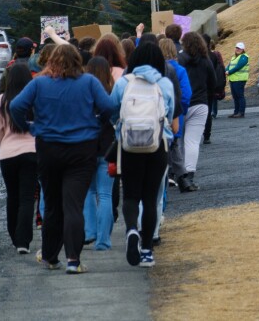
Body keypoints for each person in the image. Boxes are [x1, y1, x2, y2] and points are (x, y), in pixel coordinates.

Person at [10, 44, 114, 274]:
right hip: (82, 148)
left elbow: (16, 106)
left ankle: (49, 256)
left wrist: (29, 127)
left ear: (51, 61)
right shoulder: (88, 82)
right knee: (73, 205)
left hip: (48, 148)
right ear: (78, 61)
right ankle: (73, 260)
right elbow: (109, 106)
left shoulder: (39, 83)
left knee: (53, 204)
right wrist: (96, 123)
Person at [109, 43, 174, 268]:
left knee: (130, 195)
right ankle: (147, 250)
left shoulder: (123, 83)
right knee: (150, 197)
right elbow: (171, 112)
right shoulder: (164, 84)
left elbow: (112, 110)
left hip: (129, 146)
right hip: (158, 145)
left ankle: (131, 231)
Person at [0, 63, 37, 255]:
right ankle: (23, 241)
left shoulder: (2, 100)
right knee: (27, 197)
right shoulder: (35, 98)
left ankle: (13, 236)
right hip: (32, 151)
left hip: (8, 153)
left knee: (13, 195)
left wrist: (4, 144)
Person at [82, 57, 116, 251]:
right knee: (105, 194)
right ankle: (103, 240)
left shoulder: (83, 92)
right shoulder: (111, 93)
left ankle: (90, 231)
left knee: (89, 192)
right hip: (107, 148)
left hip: (86, 147)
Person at [178, 31, 216, 191]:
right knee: (192, 141)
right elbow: (213, 82)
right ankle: (190, 175)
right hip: (200, 103)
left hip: (182, 104)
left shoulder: (180, 60)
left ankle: (178, 174)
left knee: (178, 141)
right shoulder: (206, 61)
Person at [160, 38, 192, 192]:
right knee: (175, 146)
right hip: (175, 114)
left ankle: (166, 177)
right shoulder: (179, 70)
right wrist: (181, 112)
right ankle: (182, 177)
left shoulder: (156, 71)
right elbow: (186, 94)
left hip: (156, 115)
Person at [201, 35, 225, 145]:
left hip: (199, 89)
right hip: (210, 88)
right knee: (208, 112)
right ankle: (207, 135)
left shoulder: (197, 56)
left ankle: (199, 133)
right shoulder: (213, 56)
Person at [225, 42, 249, 118]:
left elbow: (238, 67)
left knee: (240, 96)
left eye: (239, 48)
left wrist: (229, 72)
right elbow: (229, 65)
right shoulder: (234, 57)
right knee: (235, 96)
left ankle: (241, 112)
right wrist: (226, 70)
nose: (237, 49)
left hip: (240, 79)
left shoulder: (244, 57)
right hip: (233, 79)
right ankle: (236, 112)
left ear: (243, 49)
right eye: (237, 48)